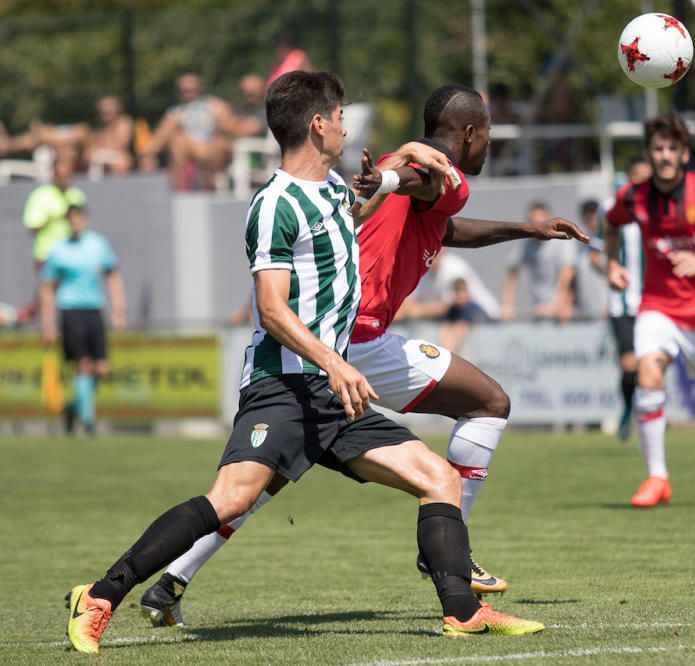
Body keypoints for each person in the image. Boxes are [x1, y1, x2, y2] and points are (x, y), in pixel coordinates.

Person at [65, 72, 544, 654]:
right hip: (285, 386)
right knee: (232, 498)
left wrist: (406, 162)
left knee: (438, 479)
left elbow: (392, 204)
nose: (346, 126)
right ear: (318, 125)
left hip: (334, 393)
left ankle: (463, 613)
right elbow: (270, 310)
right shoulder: (274, 204)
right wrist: (334, 362)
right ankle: (99, 595)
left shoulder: (335, 194)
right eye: (341, 116)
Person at [603, 112, 695, 509]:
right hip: (657, 306)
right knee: (647, 374)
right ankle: (657, 477)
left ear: (684, 155)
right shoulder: (634, 195)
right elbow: (611, 223)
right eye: (658, 149)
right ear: (649, 155)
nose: (665, 155)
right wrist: (612, 264)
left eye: (672, 148)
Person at [38, 205, 126, 435]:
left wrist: (119, 310)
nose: (75, 223)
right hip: (70, 310)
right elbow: (46, 288)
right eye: (71, 220)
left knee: (102, 368)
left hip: (94, 309)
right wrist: (48, 325)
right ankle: (88, 421)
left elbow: (113, 276)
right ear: (68, 222)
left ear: (85, 220)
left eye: (79, 219)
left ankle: (72, 408)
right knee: (83, 365)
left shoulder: (97, 244)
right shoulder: (59, 250)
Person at [589, 157, 653, 441]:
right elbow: (595, 254)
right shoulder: (611, 207)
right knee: (629, 365)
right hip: (622, 302)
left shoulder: (660, 207)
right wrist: (612, 270)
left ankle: (650, 416)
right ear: (628, 177)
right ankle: (629, 409)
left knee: (650, 365)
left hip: (654, 300)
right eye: (636, 175)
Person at [138, 73, 234, 190]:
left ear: (199, 90)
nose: (188, 94)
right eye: (184, 91)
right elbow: (163, 134)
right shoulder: (176, 111)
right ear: (178, 93)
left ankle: (148, 153)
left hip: (212, 147)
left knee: (182, 139)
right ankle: (179, 191)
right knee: (177, 139)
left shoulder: (211, 104)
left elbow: (229, 123)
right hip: (189, 149)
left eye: (191, 90)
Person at [501, 201, 579, 322]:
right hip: (539, 309)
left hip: (563, 312)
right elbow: (512, 270)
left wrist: (557, 304)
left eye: (540, 223)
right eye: (533, 223)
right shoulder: (526, 243)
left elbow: (568, 273)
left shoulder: (562, 240)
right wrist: (507, 305)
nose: (537, 227)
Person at [23, 154, 88, 270]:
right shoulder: (40, 195)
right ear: (54, 173)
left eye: (67, 174)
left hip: (73, 255)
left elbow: (82, 227)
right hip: (47, 257)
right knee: (48, 288)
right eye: (60, 174)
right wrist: (56, 218)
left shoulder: (77, 195)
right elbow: (32, 227)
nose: (64, 178)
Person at [84, 96, 135, 176]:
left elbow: (122, 145)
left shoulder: (124, 122)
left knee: (123, 162)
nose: (106, 110)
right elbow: (90, 149)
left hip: (117, 157)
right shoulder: (97, 126)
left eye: (109, 108)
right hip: (100, 156)